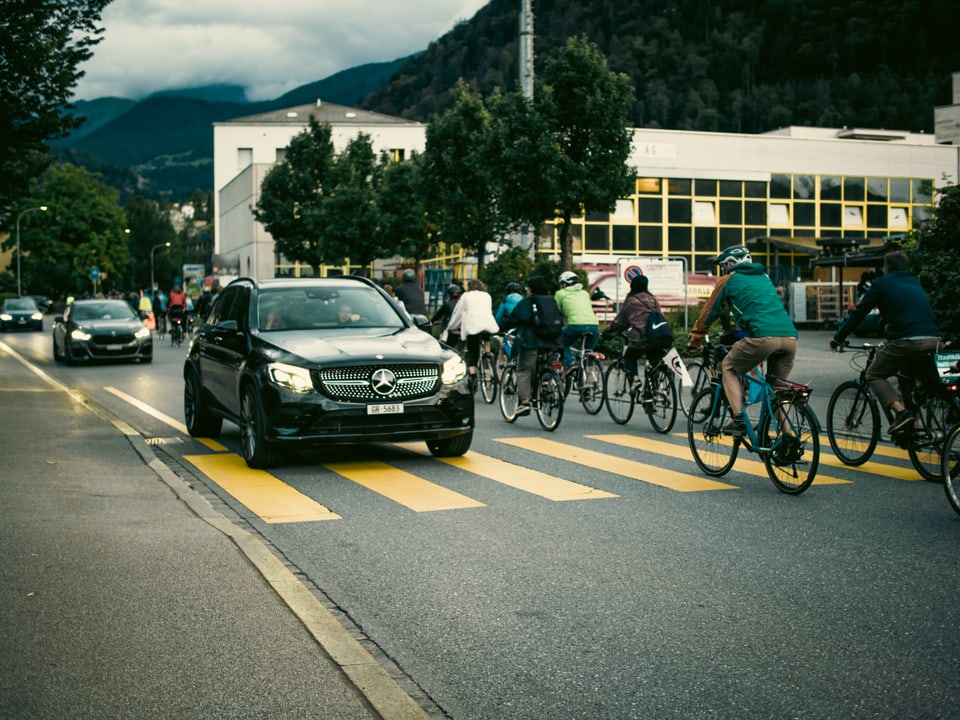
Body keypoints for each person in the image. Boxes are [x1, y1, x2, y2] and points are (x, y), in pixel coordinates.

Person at [830, 250, 942, 435]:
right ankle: (916, 424)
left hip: (907, 341)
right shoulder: (915, 282)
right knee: (906, 378)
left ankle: (902, 413)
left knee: (872, 375)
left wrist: (838, 338)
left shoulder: (881, 284)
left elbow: (860, 312)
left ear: (886, 268)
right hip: (934, 340)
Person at [692, 245, 798, 436]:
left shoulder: (729, 279)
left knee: (728, 367)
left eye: (724, 266)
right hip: (790, 337)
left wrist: (695, 340)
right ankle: (789, 438)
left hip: (762, 337)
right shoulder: (765, 278)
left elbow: (708, 313)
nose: (723, 270)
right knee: (777, 390)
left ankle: (738, 419)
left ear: (731, 264)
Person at [500, 275, 563, 416]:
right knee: (546, 364)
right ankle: (547, 385)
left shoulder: (529, 301)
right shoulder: (551, 300)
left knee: (524, 369)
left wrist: (501, 327)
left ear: (531, 289)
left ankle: (524, 402)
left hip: (532, 341)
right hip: (553, 341)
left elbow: (515, 317)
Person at [601, 274, 669, 393]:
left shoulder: (631, 301)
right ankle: (655, 392)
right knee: (654, 361)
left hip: (641, 339)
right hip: (659, 337)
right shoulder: (653, 299)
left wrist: (607, 334)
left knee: (629, 358)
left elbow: (620, 322)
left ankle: (635, 380)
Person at [445, 279, 500, 386]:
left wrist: (451, 327)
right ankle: (487, 356)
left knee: (472, 351)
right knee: (485, 335)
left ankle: (473, 375)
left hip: (473, 326)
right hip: (488, 324)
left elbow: (458, 314)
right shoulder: (487, 295)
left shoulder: (465, 296)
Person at [555, 270, 599, 372]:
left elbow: (556, 310)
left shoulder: (560, 293)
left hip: (576, 325)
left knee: (560, 342)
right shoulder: (585, 293)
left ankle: (570, 364)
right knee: (588, 353)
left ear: (563, 283)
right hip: (594, 326)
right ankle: (588, 379)